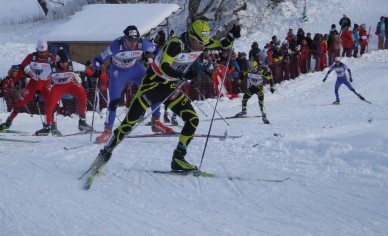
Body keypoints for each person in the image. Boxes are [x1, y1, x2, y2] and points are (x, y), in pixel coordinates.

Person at [90, 20, 241, 173]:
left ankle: (178, 159)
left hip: (169, 88)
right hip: (151, 86)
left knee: (192, 119)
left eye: (205, 43)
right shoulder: (176, 44)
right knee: (129, 123)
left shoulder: (200, 44)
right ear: (191, 36)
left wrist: (230, 37)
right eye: (200, 42)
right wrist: (182, 74)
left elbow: (222, 45)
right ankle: (105, 153)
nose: (203, 46)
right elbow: (164, 67)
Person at [93, 25, 173, 144]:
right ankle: (107, 130)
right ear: (125, 38)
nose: (133, 43)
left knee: (155, 88)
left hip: (135, 69)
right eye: (130, 40)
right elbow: (98, 60)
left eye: (135, 40)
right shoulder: (116, 45)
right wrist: (97, 69)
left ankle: (156, 122)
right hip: (118, 72)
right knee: (114, 101)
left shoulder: (143, 44)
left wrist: (163, 62)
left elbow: (157, 51)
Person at [0, 39, 56, 131]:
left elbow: (58, 70)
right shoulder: (31, 57)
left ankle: (52, 126)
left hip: (45, 84)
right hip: (33, 83)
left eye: (44, 52)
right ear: (36, 50)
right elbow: (21, 67)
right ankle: (7, 123)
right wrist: (17, 80)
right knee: (20, 102)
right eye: (40, 52)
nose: (42, 54)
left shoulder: (52, 59)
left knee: (51, 103)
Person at [35, 49, 93, 136]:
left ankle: (82, 122)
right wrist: (38, 91)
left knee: (83, 96)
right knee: (50, 106)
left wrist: (94, 74)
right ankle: (46, 127)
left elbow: (85, 68)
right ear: (58, 61)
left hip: (70, 85)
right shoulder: (51, 67)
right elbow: (41, 79)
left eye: (66, 62)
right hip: (58, 87)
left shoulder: (72, 64)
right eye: (62, 62)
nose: (65, 64)